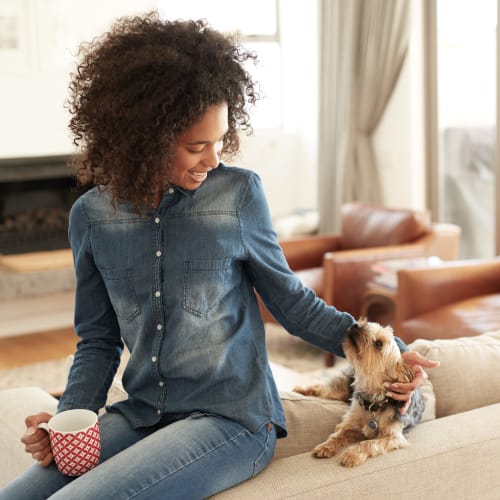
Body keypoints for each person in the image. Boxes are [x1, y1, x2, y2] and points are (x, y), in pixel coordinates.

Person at [0, 12, 438, 500]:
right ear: (143, 140)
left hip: (232, 420)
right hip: (144, 411)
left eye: (219, 139)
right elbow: (98, 341)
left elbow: (291, 303)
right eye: (196, 146)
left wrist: (389, 360)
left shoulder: (240, 195)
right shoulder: (90, 217)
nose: (213, 159)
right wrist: (68, 421)